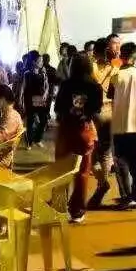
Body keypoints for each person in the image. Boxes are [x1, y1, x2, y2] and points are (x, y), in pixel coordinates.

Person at [53, 55, 102, 223]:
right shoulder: (95, 86)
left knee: (61, 170)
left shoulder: (66, 85)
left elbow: (58, 108)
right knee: (82, 172)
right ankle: (77, 211)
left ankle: (59, 206)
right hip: (84, 130)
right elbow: (96, 110)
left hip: (66, 130)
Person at [108, 42, 136, 208]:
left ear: (121, 56)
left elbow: (110, 95)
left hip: (119, 124)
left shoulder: (116, 76)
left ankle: (126, 196)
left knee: (121, 161)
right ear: (135, 56)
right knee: (135, 160)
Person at [90, 39, 119, 208]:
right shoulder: (115, 66)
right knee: (106, 152)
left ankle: (102, 182)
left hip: (96, 113)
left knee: (92, 153)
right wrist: (114, 57)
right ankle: (103, 182)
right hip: (112, 111)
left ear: (96, 51)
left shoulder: (92, 66)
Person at [19, 51, 51, 147]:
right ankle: (29, 142)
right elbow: (23, 87)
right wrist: (20, 99)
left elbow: (47, 86)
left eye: (42, 61)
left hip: (41, 99)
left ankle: (37, 139)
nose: (42, 63)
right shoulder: (27, 73)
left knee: (43, 120)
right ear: (33, 62)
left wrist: (45, 94)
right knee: (31, 120)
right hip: (29, 99)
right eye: (40, 61)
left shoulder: (43, 73)